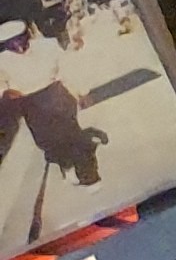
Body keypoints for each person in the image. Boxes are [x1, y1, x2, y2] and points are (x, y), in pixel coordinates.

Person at [0, 12, 101, 195]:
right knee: (49, 143)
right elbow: (2, 86)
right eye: (10, 43)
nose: (17, 45)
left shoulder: (48, 46)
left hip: (56, 95)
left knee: (72, 136)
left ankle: (89, 176)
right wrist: (7, 93)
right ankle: (65, 163)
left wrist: (82, 92)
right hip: (29, 104)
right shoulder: (3, 61)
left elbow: (68, 68)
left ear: (27, 35)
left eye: (19, 39)